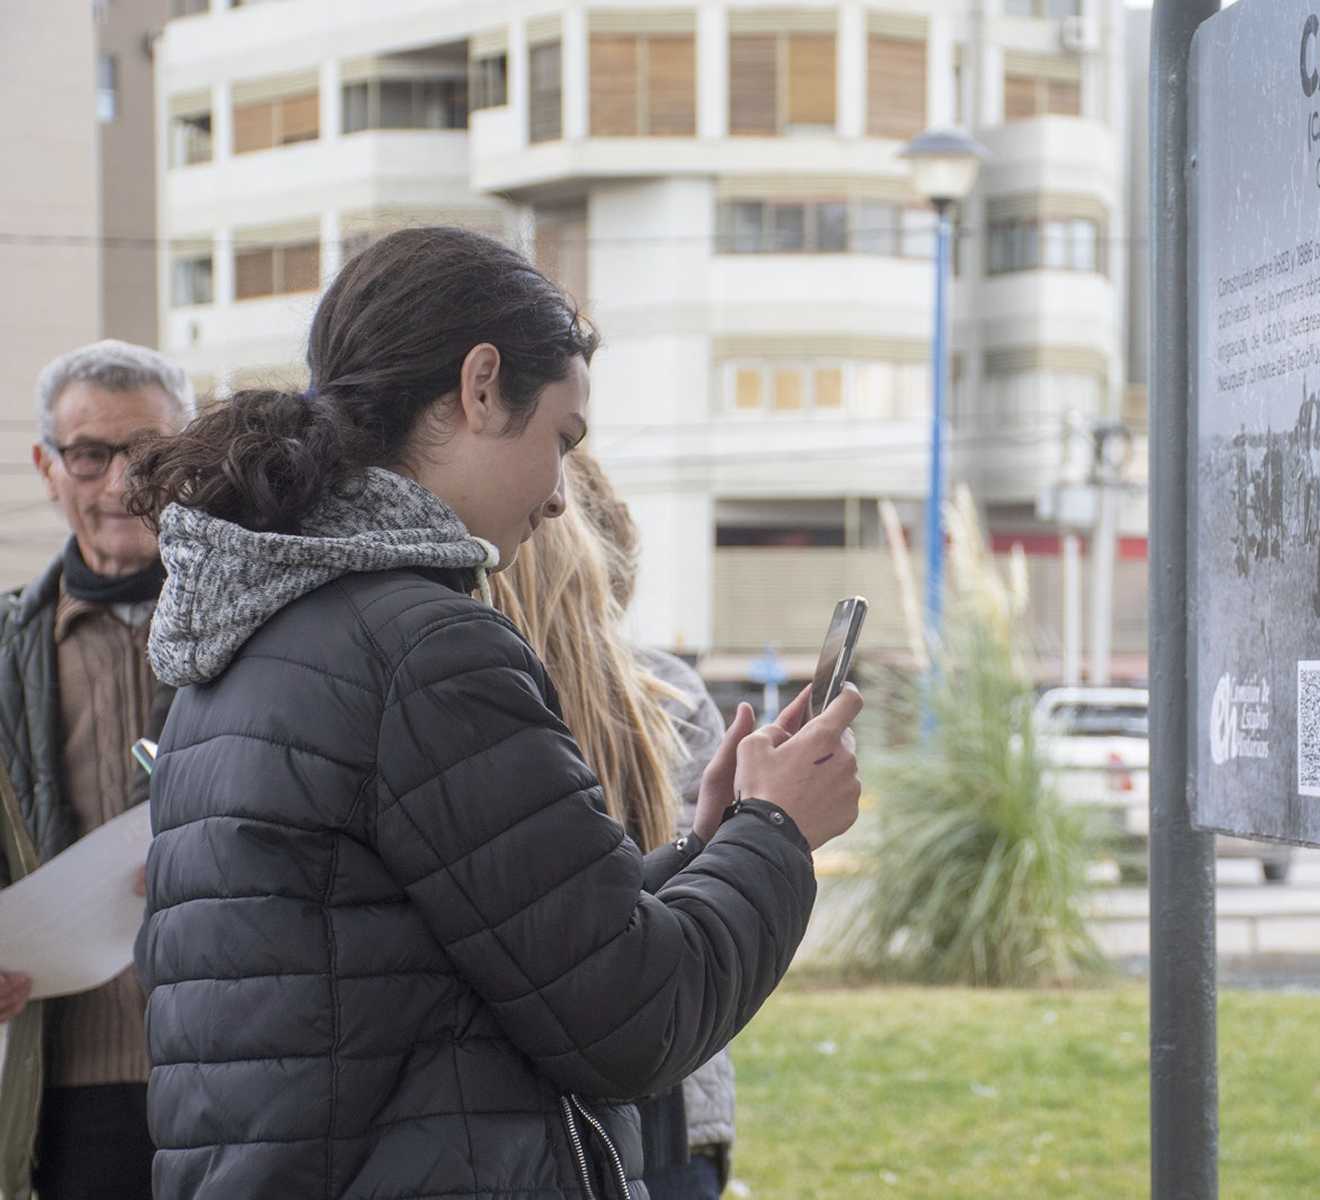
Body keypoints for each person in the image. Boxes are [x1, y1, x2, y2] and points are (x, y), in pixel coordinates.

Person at [123, 227, 863, 1200]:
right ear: (480, 386)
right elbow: (633, 1020)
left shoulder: (247, 637)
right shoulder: (424, 651)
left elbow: (467, 953)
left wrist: (712, 848)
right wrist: (777, 833)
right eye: (562, 440)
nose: (563, 499)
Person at [492, 451, 736, 1198]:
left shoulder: (460, 701)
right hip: (669, 1106)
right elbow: (707, 929)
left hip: (517, 1123)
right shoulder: (666, 698)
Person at [0, 340, 195, 1200]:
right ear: (49, 467)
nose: (121, 485)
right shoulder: (7, 653)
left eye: (149, 455)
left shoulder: (266, 638)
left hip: (233, 1068)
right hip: (60, 1086)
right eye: (90, 455)